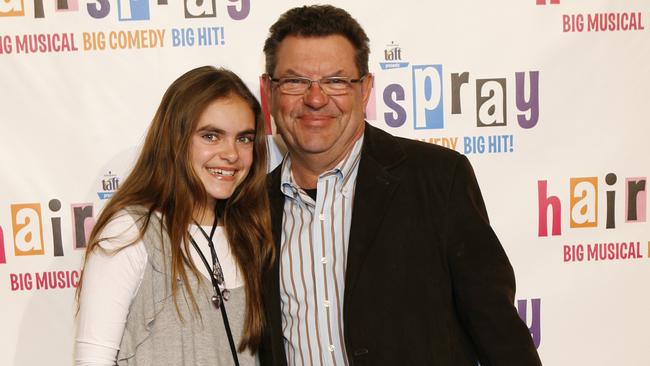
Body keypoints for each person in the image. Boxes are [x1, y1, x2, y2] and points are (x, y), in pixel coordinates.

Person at [258, 5, 542, 366]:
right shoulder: (250, 209)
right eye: (295, 81)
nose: (316, 99)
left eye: (336, 81)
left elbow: (500, 335)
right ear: (268, 91)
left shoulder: (438, 179)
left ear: (365, 90)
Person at [75, 66, 274, 366]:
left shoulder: (252, 230)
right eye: (211, 136)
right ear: (175, 139)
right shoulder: (131, 231)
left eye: (244, 138)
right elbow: (93, 360)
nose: (232, 154)